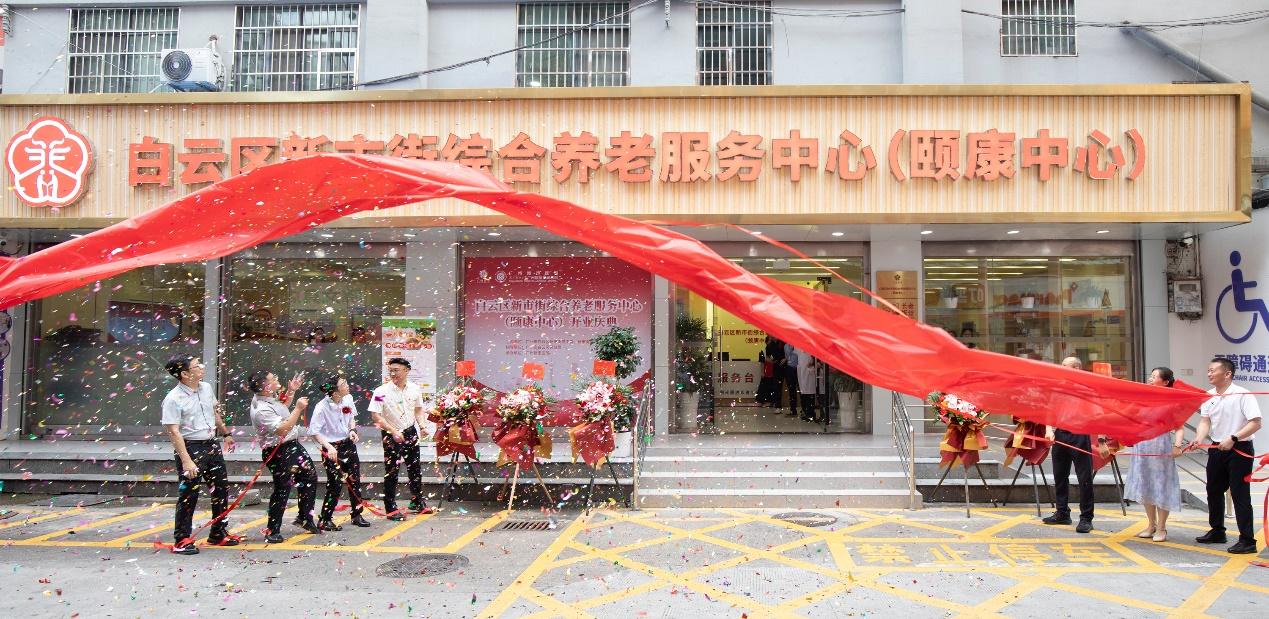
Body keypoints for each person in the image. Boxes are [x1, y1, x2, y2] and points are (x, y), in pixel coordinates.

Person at [161, 356, 242, 555]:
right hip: (191, 446)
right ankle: (182, 539)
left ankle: (218, 532)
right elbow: (173, 432)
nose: (202, 367)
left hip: (211, 443)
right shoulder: (173, 399)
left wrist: (226, 433)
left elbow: (213, 413)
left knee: (221, 489)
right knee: (189, 494)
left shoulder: (206, 388)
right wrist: (186, 460)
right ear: (184, 374)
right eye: (197, 366)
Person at [1187, 357, 1262, 554]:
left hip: (1240, 448)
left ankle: (1247, 540)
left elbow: (1256, 423)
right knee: (1213, 489)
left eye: (1213, 370)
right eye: (1208, 370)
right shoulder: (1209, 396)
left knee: (1239, 493)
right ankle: (1217, 531)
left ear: (1227, 374)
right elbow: (1205, 421)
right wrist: (1198, 438)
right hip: (1216, 447)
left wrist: (1234, 438)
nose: (1209, 374)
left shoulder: (1243, 394)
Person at [248, 370, 320, 543]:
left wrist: (292, 391)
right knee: (282, 488)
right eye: (273, 379)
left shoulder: (270, 398)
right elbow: (282, 429)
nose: (277, 379)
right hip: (278, 450)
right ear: (265, 386)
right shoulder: (261, 409)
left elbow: (282, 407)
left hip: (292, 445)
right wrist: (298, 408)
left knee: (310, 477)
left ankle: (304, 518)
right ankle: (272, 530)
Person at [1042, 356, 1109, 533]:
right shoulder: (1058, 387)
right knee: (1059, 476)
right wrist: (1049, 429)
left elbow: (1099, 415)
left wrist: (1102, 441)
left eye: (1065, 365)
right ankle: (1062, 512)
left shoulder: (1087, 389)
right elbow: (1050, 410)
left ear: (1077, 368)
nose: (1061, 367)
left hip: (1080, 434)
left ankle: (1086, 518)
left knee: (1084, 478)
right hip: (1061, 434)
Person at [1124, 367, 1184, 542]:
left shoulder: (1171, 402)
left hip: (1160, 448)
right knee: (1145, 484)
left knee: (1161, 486)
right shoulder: (1143, 399)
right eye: (1150, 376)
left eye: (1154, 377)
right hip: (1141, 448)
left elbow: (1179, 427)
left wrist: (1177, 446)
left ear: (1165, 382)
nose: (1150, 379)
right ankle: (1151, 525)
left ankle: (1162, 527)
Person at [369, 357, 431, 519]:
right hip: (391, 434)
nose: (393, 373)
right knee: (392, 471)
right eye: (390, 370)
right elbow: (375, 415)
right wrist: (392, 431)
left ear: (406, 370)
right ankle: (391, 508)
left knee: (415, 468)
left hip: (410, 432)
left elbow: (418, 409)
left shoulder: (414, 389)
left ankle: (417, 501)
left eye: (396, 370)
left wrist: (422, 426)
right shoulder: (381, 392)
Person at [308, 375, 372, 531]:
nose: (348, 385)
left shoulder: (347, 399)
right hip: (331, 448)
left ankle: (357, 515)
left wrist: (352, 430)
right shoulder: (321, 407)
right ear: (335, 392)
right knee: (335, 483)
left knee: (354, 480)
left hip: (348, 443)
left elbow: (350, 417)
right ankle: (325, 519)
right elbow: (314, 432)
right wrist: (328, 447)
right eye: (344, 384)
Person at [795, 347, 825, 422]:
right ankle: (808, 414)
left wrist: (814, 364)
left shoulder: (811, 350)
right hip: (805, 375)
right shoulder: (800, 351)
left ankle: (813, 414)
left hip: (814, 375)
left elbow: (817, 361)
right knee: (806, 396)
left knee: (814, 396)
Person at [755, 336, 780, 407]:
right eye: (770, 340)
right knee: (764, 388)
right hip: (766, 372)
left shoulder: (775, 349)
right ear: (766, 342)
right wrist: (762, 372)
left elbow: (776, 360)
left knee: (772, 387)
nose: (771, 342)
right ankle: (762, 401)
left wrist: (772, 361)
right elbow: (762, 362)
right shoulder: (763, 351)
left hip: (773, 371)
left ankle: (770, 402)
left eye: (772, 340)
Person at [782, 341, 800, 418]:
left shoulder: (798, 345)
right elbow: (787, 357)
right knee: (791, 390)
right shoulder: (785, 346)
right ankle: (793, 410)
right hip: (789, 368)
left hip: (798, 368)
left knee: (801, 389)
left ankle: (804, 409)